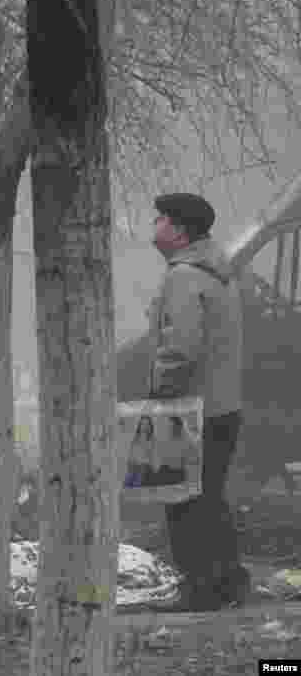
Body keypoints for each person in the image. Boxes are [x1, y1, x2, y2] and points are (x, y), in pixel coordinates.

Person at [144, 192, 249, 612]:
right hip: (223, 407)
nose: (155, 224)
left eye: (161, 219)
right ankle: (227, 584)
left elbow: (181, 349)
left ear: (179, 230)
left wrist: (157, 392)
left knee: (182, 501)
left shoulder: (184, 277)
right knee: (210, 498)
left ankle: (200, 590)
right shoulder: (218, 272)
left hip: (187, 408)